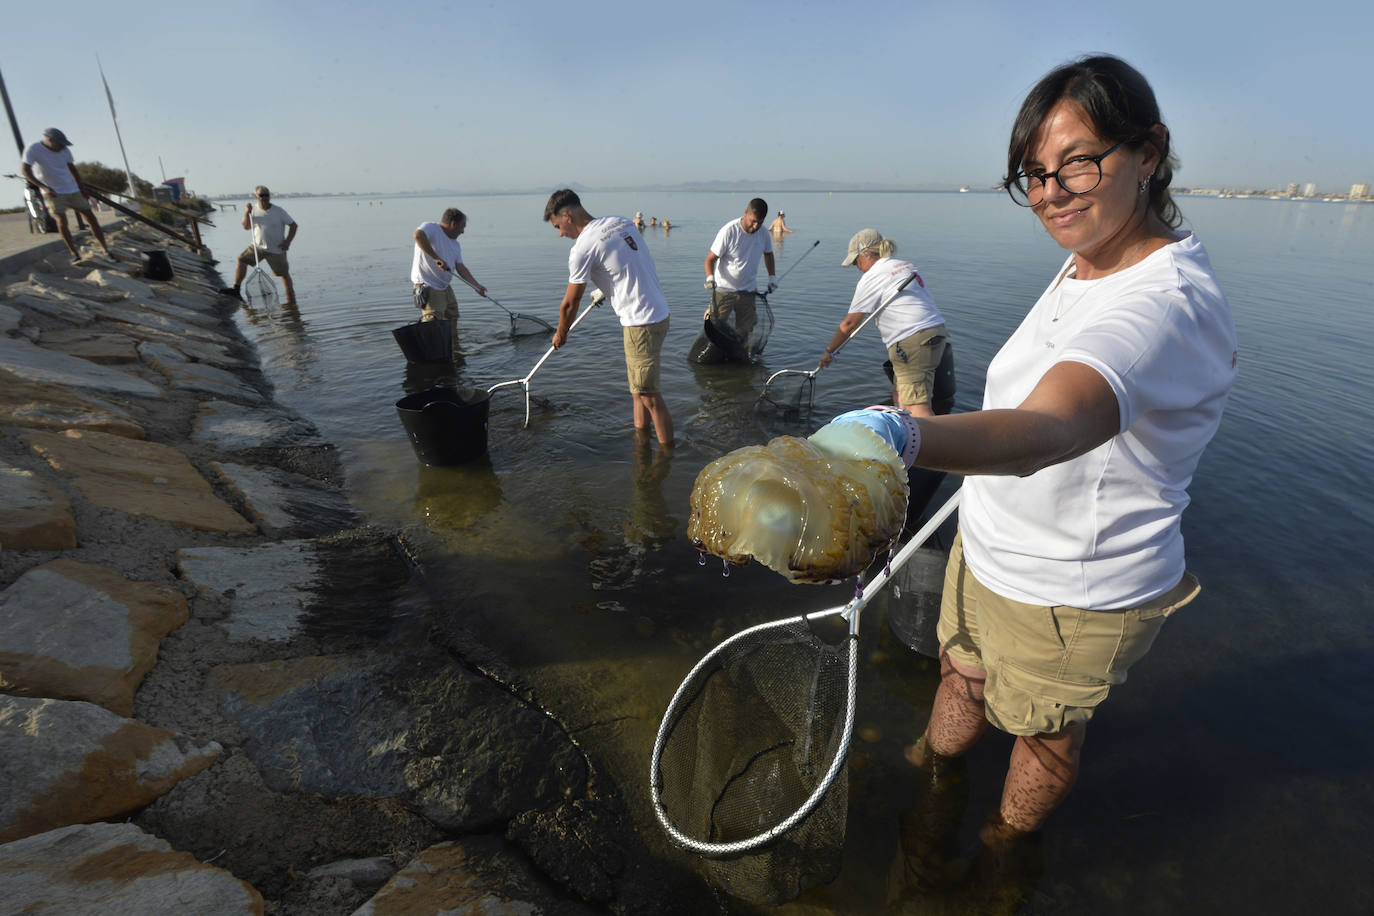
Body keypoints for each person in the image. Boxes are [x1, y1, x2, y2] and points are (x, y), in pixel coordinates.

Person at [893, 55, 1238, 901]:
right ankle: (933, 775)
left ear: (1149, 151)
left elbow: (1049, 428)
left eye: (1080, 162)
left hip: (1072, 590)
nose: (1052, 192)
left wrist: (901, 434)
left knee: (1042, 737)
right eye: (1036, 174)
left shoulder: (1165, 303)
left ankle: (1006, 845)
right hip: (987, 547)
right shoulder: (1087, 260)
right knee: (957, 670)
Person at [544, 189, 674, 448]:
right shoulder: (621, 222)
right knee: (638, 392)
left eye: (558, 226)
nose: (560, 234)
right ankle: (641, 443)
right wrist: (605, 287)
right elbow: (629, 264)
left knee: (648, 396)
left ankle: (667, 456)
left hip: (641, 322)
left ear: (567, 216)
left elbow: (570, 303)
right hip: (656, 313)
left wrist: (561, 333)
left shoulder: (582, 247)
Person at [819, 230, 948, 417]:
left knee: (917, 405)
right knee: (901, 398)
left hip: (912, 341)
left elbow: (849, 324)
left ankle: (936, 445)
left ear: (866, 254)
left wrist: (829, 351)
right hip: (935, 332)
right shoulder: (905, 266)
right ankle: (908, 441)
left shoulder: (873, 276)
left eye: (856, 261)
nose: (857, 267)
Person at [20, 128, 114, 261]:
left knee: (91, 217)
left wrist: (81, 187)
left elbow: (72, 168)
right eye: (60, 144)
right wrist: (43, 187)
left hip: (72, 188)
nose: (62, 147)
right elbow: (25, 171)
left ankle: (105, 250)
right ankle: (74, 253)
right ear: (50, 140)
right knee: (62, 221)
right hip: (52, 192)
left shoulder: (64, 150)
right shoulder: (33, 149)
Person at [703, 198, 776, 347]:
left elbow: (768, 254)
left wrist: (772, 277)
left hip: (748, 290)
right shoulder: (729, 231)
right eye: (753, 221)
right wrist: (710, 278)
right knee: (715, 325)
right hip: (724, 290)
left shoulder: (763, 233)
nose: (755, 226)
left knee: (746, 328)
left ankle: (736, 357)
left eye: (760, 222)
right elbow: (710, 259)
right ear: (745, 213)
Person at [411, 208, 486, 343]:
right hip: (428, 285)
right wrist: (436, 258)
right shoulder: (431, 228)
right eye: (462, 227)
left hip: (444, 287)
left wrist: (476, 286)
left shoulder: (455, 245)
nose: (463, 232)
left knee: (453, 316)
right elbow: (418, 236)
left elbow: (461, 268)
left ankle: (453, 347)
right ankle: (431, 352)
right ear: (453, 224)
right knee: (433, 322)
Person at [227, 186, 298, 305]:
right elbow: (246, 227)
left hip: (276, 249)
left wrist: (287, 242)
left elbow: (294, 225)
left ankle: (291, 299)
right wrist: (246, 212)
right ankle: (236, 289)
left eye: (267, 195)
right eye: (262, 195)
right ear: (256, 196)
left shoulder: (278, 211)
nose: (265, 197)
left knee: (284, 274)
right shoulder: (253, 210)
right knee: (241, 260)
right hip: (257, 247)